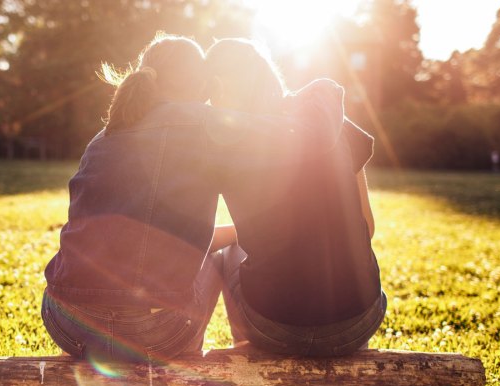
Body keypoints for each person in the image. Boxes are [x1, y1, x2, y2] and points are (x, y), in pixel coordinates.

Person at [41, 33, 317, 364]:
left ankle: (93, 359)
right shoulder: (209, 126)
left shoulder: (106, 133)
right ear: (202, 84)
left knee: (202, 254)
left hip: (66, 322)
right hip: (154, 332)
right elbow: (286, 132)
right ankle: (201, 360)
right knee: (218, 257)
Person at [204, 38, 386, 356]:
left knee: (228, 254)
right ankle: (344, 353)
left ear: (219, 88)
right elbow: (367, 227)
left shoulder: (227, 142)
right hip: (359, 321)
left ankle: (252, 358)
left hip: (273, 327)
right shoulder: (331, 119)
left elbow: (198, 237)